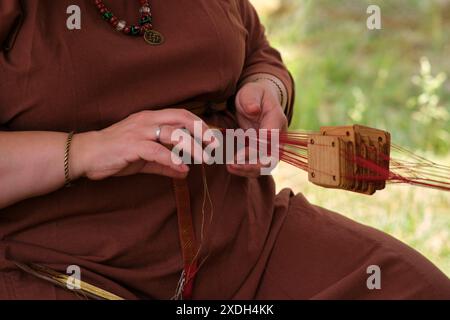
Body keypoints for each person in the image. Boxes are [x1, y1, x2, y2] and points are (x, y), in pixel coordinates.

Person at [0, 0, 449, 300]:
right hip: (66, 267)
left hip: (243, 242)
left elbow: (256, 48)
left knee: (412, 289)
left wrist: (266, 89)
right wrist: (85, 151)